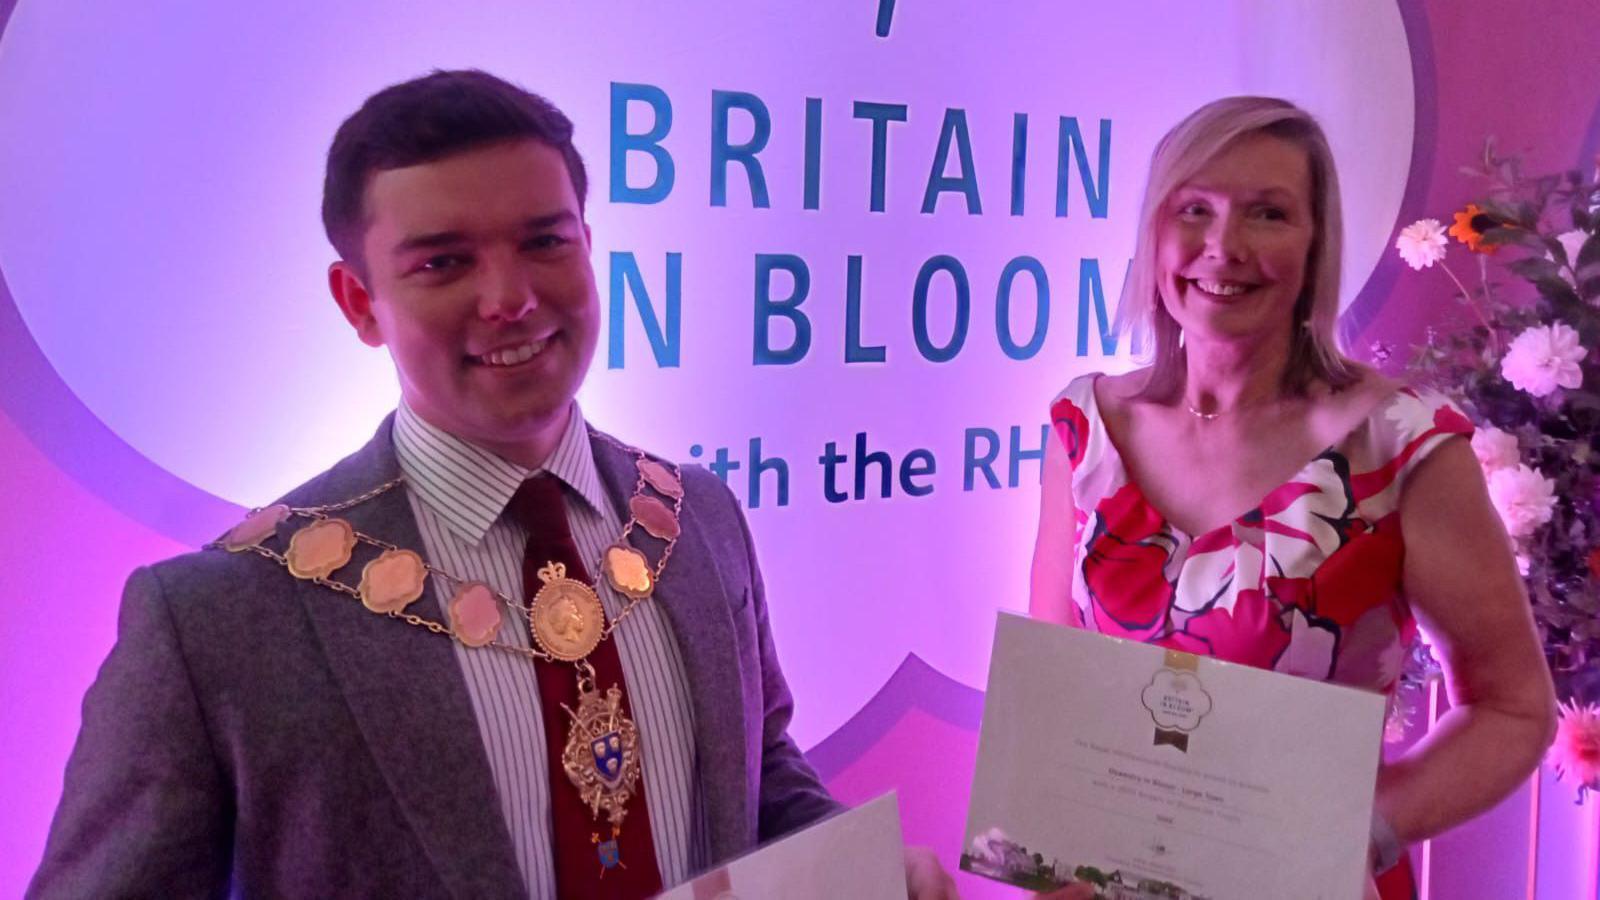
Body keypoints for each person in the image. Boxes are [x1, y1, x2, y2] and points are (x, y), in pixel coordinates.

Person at [30, 69, 955, 899]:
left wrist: (869, 873)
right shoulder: (220, 617)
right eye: (443, 262)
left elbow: (759, 785)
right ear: (360, 303)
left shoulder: (698, 518)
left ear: (589, 246)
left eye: (543, 242)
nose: (509, 296)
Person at [1029, 96, 1556, 899]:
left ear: (1316, 247)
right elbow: (1056, 689)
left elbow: (1514, 709)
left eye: (1267, 214)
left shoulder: (1404, 445)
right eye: (1193, 210)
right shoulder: (1083, 426)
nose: (1222, 248)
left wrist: (1366, 826)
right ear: (1153, 234)